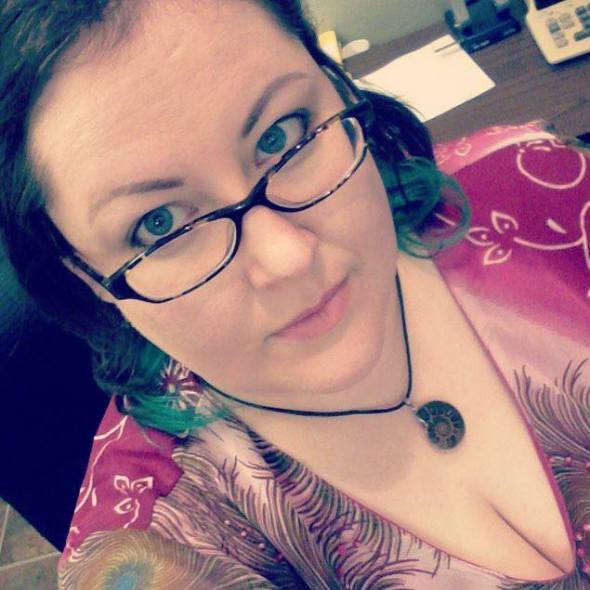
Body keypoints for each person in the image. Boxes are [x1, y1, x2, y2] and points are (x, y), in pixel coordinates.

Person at [0, 0, 588, 588]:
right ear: (87, 276)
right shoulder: (156, 549)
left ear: (335, 83)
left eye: (281, 134)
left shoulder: (538, 188)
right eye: (161, 225)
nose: (288, 257)